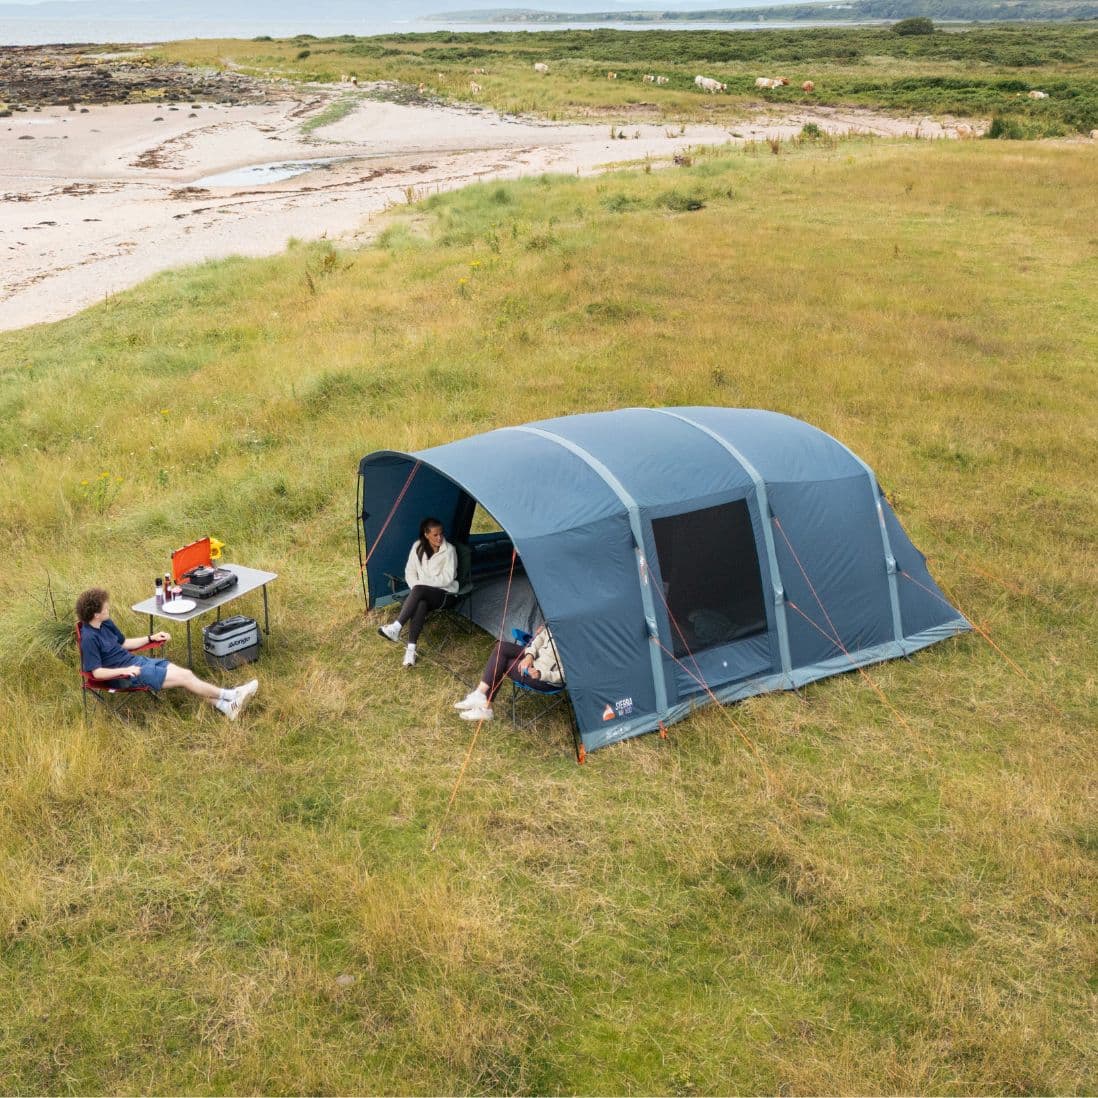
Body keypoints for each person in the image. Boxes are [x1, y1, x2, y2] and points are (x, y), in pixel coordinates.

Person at [76, 587, 258, 721]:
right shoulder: (89, 638)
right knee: (185, 676)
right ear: (96, 614)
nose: (109, 609)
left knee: (183, 675)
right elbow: (96, 673)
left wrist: (151, 637)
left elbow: (124, 643)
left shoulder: (105, 623)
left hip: (136, 661)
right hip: (126, 675)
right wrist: (126, 670)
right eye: (105, 608)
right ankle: (232, 694)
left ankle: (226, 706)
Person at [377, 516, 458, 667]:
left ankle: (396, 627)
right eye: (435, 535)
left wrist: (421, 586)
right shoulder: (417, 547)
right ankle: (410, 650)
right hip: (422, 594)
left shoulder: (449, 551)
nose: (439, 537)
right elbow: (410, 572)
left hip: (445, 594)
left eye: (441, 533)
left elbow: (448, 577)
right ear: (426, 535)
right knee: (420, 603)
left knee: (419, 591)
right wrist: (418, 588)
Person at [453, 624, 563, 721]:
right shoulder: (559, 619)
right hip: (535, 657)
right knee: (501, 646)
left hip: (543, 677)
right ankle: (480, 694)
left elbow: (569, 675)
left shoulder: (579, 641)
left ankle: (486, 707)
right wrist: (530, 656)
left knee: (502, 663)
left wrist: (541, 674)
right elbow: (541, 638)